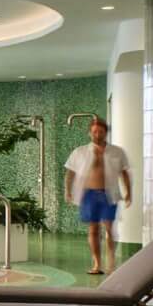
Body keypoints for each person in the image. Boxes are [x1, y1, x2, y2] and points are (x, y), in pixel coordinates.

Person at [63, 116, 133, 277]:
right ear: (90, 133)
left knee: (109, 228)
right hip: (89, 195)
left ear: (105, 133)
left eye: (100, 132)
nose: (97, 134)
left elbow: (124, 173)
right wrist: (68, 190)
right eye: (94, 131)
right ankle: (96, 263)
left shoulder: (116, 152)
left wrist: (128, 192)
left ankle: (111, 262)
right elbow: (70, 173)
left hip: (108, 194)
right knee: (93, 229)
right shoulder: (80, 152)